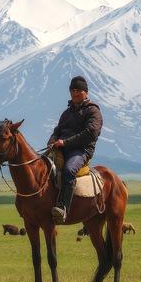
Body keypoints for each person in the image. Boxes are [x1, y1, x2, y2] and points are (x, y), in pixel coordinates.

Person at [48, 76, 103, 224]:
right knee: (42, 166)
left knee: (68, 170)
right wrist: (52, 141)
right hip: (61, 148)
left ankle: (63, 208)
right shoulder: (67, 113)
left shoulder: (93, 111)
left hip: (81, 150)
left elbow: (90, 134)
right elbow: (57, 131)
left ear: (86, 92)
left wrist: (65, 142)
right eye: (72, 90)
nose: (75, 93)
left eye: (78, 90)